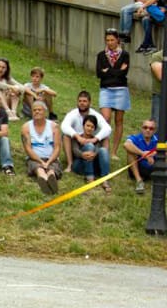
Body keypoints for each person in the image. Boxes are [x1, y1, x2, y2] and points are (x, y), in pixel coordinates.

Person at [60, 90, 112, 176]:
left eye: (84, 101)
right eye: (80, 101)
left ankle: (104, 165)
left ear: (89, 102)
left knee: (105, 137)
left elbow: (108, 128)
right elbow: (64, 126)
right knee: (66, 136)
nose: (82, 103)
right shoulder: (73, 114)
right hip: (77, 144)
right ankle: (70, 164)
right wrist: (77, 136)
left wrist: (95, 139)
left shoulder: (95, 115)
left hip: (92, 143)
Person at [96, 28, 130, 157]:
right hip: (106, 89)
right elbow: (99, 73)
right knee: (106, 119)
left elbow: (124, 73)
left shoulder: (125, 55)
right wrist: (116, 72)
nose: (110, 43)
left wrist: (108, 71)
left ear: (117, 40)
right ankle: (105, 147)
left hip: (121, 89)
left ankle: (114, 151)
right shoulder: (101, 55)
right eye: (107, 40)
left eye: (112, 40)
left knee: (119, 120)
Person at [21, 100, 62, 195]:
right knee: (38, 168)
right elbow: (28, 149)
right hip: (34, 157)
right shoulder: (26, 127)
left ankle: (51, 177)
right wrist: (41, 162)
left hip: (51, 157)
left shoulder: (54, 126)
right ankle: (43, 178)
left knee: (52, 168)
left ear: (45, 112)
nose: (37, 112)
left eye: (39, 110)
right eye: (34, 110)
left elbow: (57, 148)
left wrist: (49, 161)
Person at [124, 120, 158, 194]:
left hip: (154, 167)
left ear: (154, 130)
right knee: (130, 152)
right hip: (138, 168)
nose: (148, 130)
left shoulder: (158, 139)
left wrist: (153, 153)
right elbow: (126, 145)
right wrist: (143, 154)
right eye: (145, 127)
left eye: (151, 128)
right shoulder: (136, 138)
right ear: (141, 128)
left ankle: (158, 180)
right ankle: (139, 181)